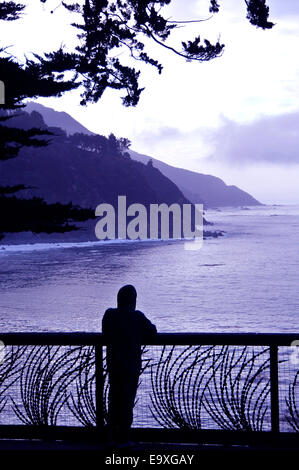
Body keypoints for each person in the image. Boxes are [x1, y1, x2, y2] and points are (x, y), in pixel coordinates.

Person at [102, 284, 157, 446]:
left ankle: (110, 437)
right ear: (133, 301)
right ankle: (124, 439)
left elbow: (105, 332)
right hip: (131, 368)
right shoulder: (137, 318)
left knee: (113, 401)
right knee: (127, 404)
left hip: (114, 366)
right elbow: (153, 332)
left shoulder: (110, 315)